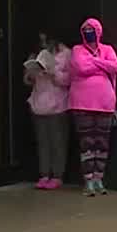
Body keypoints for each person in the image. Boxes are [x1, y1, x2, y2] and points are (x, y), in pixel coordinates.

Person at [69, 18, 117, 196]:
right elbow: (81, 67)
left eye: (92, 29)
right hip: (82, 104)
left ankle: (99, 179)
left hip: (105, 104)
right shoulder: (77, 50)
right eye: (86, 29)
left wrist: (95, 61)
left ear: (99, 31)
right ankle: (88, 180)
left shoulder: (108, 49)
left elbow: (116, 67)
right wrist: (101, 64)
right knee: (86, 143)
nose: (89, 32)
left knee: (102, 143)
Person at [24, 32, 72, 189]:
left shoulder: (65, 54)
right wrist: (31, 75)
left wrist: (53, 73)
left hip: (58, 105)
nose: (43, 42)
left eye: (46, 39)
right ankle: (44, 174)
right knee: (43, 142)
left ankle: (57, 175)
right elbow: (27, 80)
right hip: (38, 104)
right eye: (40, 40)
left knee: (57, 142)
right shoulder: (35, 54)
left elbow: (68, 80)